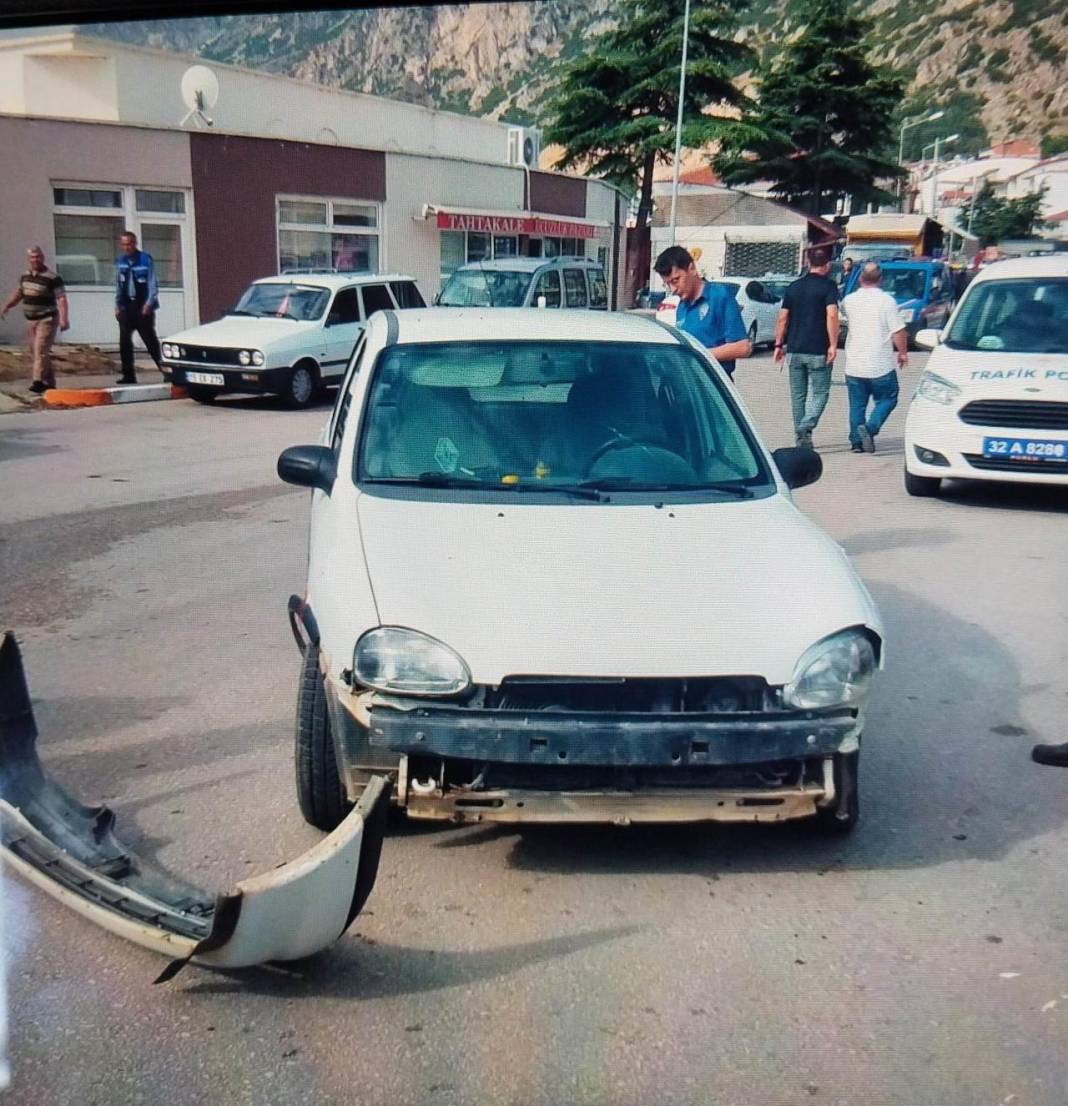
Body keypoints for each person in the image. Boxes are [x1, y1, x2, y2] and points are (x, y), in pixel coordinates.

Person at [774, 247, 840, 449]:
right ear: (827, 264)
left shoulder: (794, 287)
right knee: (820, 393)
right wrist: (833, 344)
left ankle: (801, 438)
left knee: (798, 395)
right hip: (818, 348)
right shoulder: (829, 287)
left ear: (808, 263)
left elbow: (783, 317)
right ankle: (806, 425)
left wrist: (778, 344)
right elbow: (831, 315)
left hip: (794, 349)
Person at [653, 245, 751, 379]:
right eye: (667, 284)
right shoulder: (682, 306)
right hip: (688, 386)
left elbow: (742, 347)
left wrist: (698, 355)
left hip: (712, 386)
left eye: (676, 280)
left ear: (692, 269)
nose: (673, 289)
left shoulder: (719, 296)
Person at [841, 262, 907, 454]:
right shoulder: (887, 301)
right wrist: (902, 352)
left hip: (854, 363)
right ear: (881, 280)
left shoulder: (849, 300)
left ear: (860, 279)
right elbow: (898, 330)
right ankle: (869, 429)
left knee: (857, 405)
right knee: (889, 397)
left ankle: (856, 442)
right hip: (880, 363)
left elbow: (844, 319)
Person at [0, 245, 70, 394]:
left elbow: (61, 299)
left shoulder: (52, 278)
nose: (35, 260)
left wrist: (64, 319)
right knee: (37, 352)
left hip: (47, 319)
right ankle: (49, 382)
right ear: (28, 259)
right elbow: (18, 294)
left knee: (40, 350)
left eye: (38, 256)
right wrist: (5, 306)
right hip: (31, 320)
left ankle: (37, 382)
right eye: (32, 257)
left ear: (42, 257)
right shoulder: (25, 276)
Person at [114, 230, 162, 385]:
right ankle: (128, 376)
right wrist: (117, 305)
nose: (127, 247)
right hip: (127, 306)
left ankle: (167, 372)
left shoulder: (145, 259)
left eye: (130, 244)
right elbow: (119, 285)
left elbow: (152, 283)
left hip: (143, 306)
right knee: (124, 343)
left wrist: (149, 303)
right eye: (124, 244)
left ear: (135, 244)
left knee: (150, 341)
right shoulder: (121, 261)